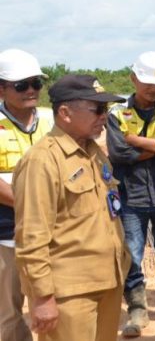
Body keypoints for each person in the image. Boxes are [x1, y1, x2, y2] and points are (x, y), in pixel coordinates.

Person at [13, 75, 129, 341]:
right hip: (70, 292)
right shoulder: (42, 161)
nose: (104, 117)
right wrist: (42, 298)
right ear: (65, 112)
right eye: (98, 109)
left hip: (108, 281)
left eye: (107, 110)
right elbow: (31, 237)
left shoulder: (93, 152)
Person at [106, 51, 155, 337]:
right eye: (148, 82)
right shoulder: (116, 113)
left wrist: (138, 142)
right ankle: (137, 308)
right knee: (133, 255)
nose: (153, 89)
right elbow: (118, 153)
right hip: (130, 197)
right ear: (133, 79)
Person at [0, 50, 53, 341]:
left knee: (51, 304)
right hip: (8, 233)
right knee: (9, 311)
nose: (31, 90)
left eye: (36, 83)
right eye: (21, 85)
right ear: (1, 88)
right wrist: (30, 205)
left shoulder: (52, 119)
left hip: (53, 231)